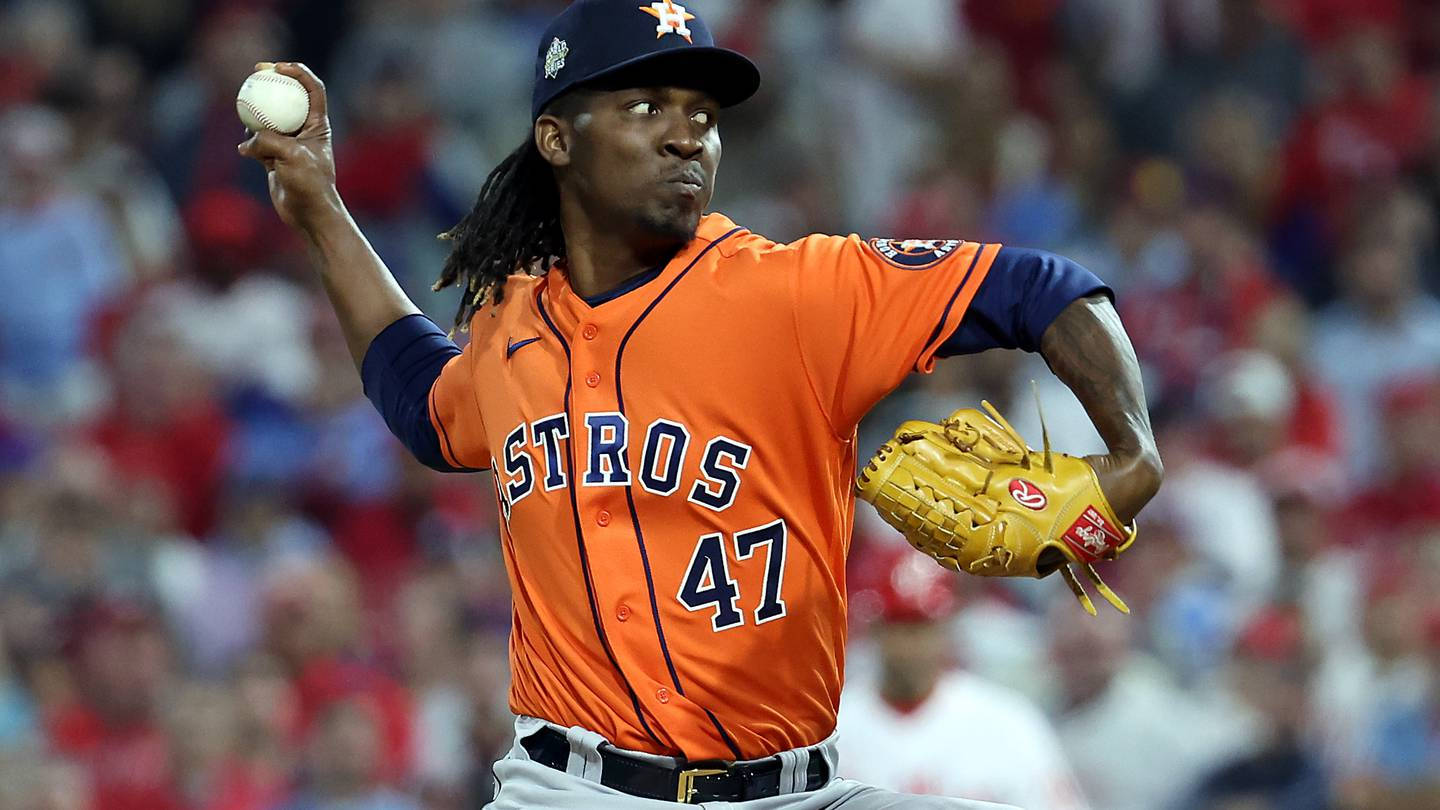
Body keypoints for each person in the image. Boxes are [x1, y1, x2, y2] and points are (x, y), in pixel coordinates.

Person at [238, 1, 1162, 806]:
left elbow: (1047, 286)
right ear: (558, 139)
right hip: (571, 794)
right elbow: (426, 406)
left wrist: (1132, 457)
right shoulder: (513, 327)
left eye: (703, 115)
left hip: (797, 790)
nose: (688, 135)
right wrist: (320, 206)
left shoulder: (792, 293)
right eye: (646, 107)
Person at [838, 547, 1088, 809]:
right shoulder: (835, 725)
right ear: (875, 629)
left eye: (921, 627)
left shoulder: (1008, 721)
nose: (908, 645)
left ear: (946, 624)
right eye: (898, 627)